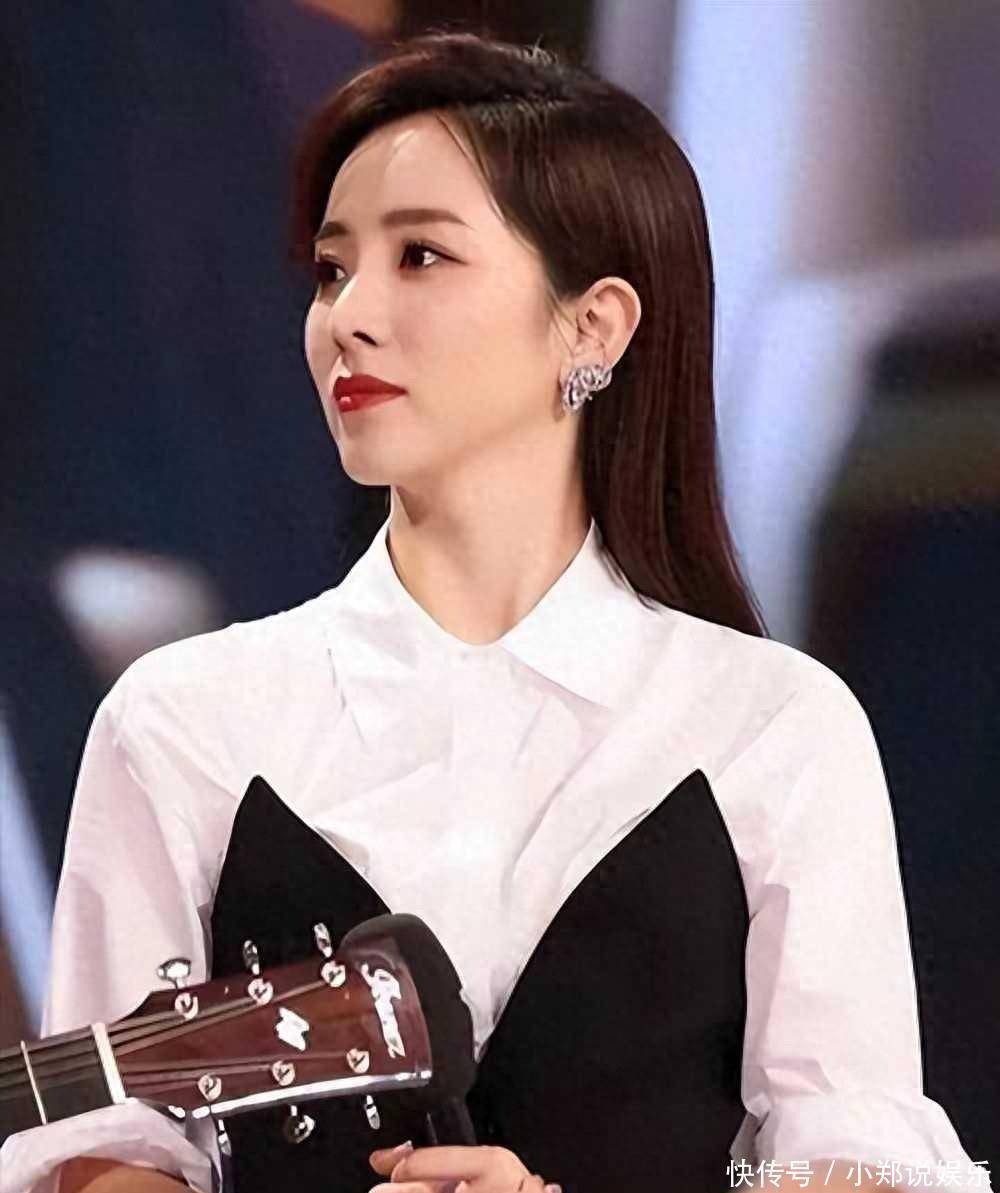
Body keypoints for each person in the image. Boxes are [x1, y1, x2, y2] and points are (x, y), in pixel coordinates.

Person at [2, 29, 988, 1193]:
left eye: (420, 255)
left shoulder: (776, 725)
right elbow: (109, 1146)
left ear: (594, 325)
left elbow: (852, 1155)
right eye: (331, 270)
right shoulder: (178, 719)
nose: (348, 317)